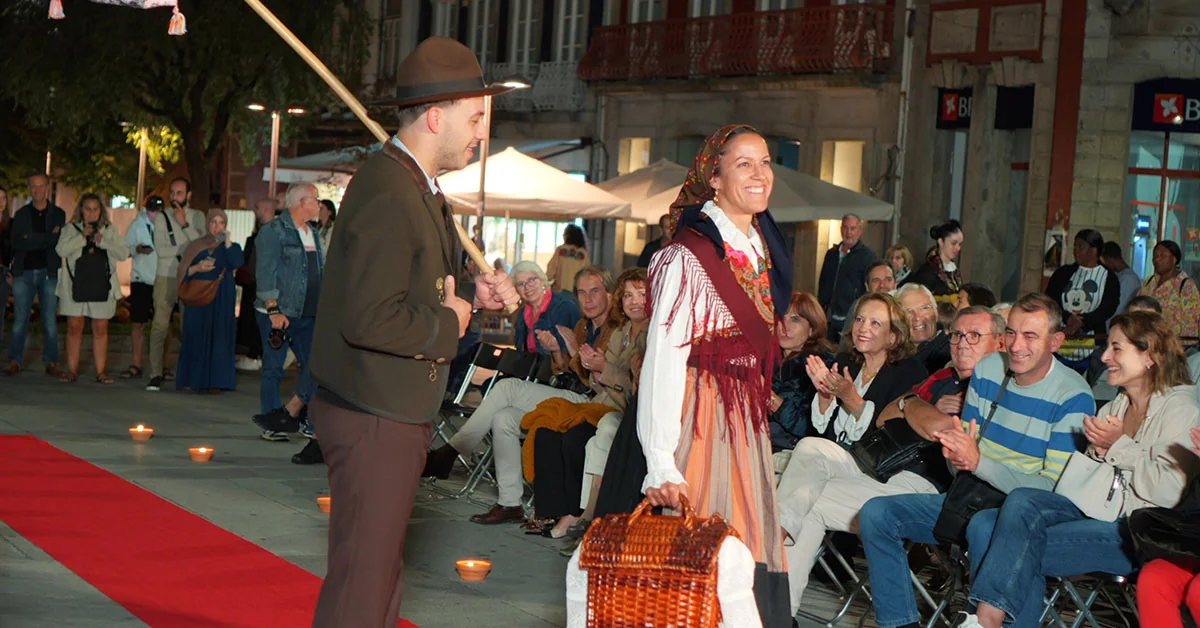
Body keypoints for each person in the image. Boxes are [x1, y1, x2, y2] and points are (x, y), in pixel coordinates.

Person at [306, 36, 520, 627]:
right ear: (435, 115)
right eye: (475, 118)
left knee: (374, 574)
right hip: (375, 409)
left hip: (389, 406)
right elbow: (368, 317)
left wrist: (468, 299)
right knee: (364, 580)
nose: (481, 132)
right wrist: (448, 323)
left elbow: (415, 286)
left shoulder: (416, 184)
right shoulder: (389, 189)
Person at [856, 293, 1093, 628]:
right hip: (970, 497)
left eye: (1030, 336)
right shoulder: (988, 369)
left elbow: (1051, 491)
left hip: (1022, 515)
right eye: (1011, 333)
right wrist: (956, 456)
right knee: (877, 513)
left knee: (987, 527)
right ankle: (898, 623)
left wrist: (978, 462)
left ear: (1056, 341)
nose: (1016, 345)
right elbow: (963, 460)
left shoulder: (1073, 396)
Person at [639, 124, 794, 627]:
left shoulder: (762, 247)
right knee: (704, 536)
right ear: (715, 175)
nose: (759, 174)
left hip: (744, 419)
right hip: (701, 415)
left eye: (766, 162)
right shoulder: (687, 255)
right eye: (744, 163)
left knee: (745, 538)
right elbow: (664, 356)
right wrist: (660, 458)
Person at [955, 311, 1200, 628]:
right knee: (994, 516)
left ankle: (986, 620)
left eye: (1116, 348)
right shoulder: (1117, 405)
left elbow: (1167, 494)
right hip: (1097, 510)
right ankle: (989, 619)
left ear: (1149, 355)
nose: (1105, 356)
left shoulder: (1182, 409)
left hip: (1138, 533)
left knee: (1004, 546)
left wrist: (1117, 447)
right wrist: (1098, 452)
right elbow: (1089, 482)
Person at [777, 305, 1004, 614]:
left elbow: (941, 430)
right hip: (879, 468)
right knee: (806, 474)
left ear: (1001, 343)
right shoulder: (941, 378)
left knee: (806, 499)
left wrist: (914, 408)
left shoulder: (1000, 389)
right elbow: (886, 416)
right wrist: (920, 407)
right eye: (957, 335)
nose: (962, 343)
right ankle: (777, 609)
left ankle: (775, 603)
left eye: (975, 336)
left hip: (932, 490)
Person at [422, 266, 615, 523]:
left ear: (610, 295)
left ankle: (450, 452)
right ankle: (510, 503)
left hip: (592, 403)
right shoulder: (577, 324)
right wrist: (560, 352)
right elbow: (558, 368)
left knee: (506, 388)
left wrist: (569, 351)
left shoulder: (607, 327)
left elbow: (598, 383)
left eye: (594, 291)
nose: (587, 298)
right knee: (504, 418)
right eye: (581, 292)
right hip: (564, 392)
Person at [249, 183, 324, 441]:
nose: (319, 204)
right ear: (301, 203)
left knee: (316, 365)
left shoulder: (313, 233)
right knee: (274, 368)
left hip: (308, 313)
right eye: (316, 199)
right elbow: (265, 272)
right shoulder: (273, 231)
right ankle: (272, 421)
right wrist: (273, 309)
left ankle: (300, 416)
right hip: (279, 312)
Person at [54, 194, 130, 383]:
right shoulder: (70, 229)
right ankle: (71, 370)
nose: (91, 213)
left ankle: (100, 372)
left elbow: (123, 253)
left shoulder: (108, 230)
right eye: (87, 209)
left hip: (101, 286)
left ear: (101, 211)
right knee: (74, 327)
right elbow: (60, 250)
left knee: (100, 327)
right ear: (81, 210)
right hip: (75, 286)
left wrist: (102, 241)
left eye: (95, 209)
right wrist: (82, 237)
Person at [173, 210, 243, 393]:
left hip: (222, 297)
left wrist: (227, 242)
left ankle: (216, 382)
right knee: (196, 335)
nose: (216, 226)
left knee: (219, 337)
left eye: (221, 223)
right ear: (207, 223)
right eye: (213, 222)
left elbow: (236, 262)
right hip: (199, 297)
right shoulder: (195, 246)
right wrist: (197, 267)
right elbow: (182, 272)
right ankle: (193, 379)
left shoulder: (231, 247)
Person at [146, 177, 205, 392]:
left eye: (179, 193)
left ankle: (188, 374)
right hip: (166, 275)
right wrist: (185, 247)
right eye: (172, 193)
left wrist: (184, 224)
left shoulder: (197, 216)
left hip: (190, 276)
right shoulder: (161, 217)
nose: (174, 197)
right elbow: (161, 249)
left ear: (188, 195)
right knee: (160, 325)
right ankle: (155, 373)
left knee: (189, 326)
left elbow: (200, 245)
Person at [4, 173, 66, 377]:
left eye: (41, 186)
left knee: (49, 319)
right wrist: (45, 238)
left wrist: (31, 238)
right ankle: (14, 360)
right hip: (24, 273)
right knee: (20, 319)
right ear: (29, 188)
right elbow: (17, 243)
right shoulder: (21, 214)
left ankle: (51, 362)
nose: (38, 190)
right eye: (34, 187)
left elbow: (56, 241)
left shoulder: (58, 214)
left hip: (49, 272)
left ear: (48, 187)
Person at [769, 292, 835, 451]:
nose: (785, 326)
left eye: (795, 319)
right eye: (781, 318)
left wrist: (775, 403)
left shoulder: (820, 366)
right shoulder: (766, 358)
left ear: (812, 329)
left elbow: (816, 431)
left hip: (797, 452)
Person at [1045, 228, 1120, 340]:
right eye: (1074, 247)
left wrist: (1082, 322)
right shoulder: (1063, 273)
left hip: (1092, 340)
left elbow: (1108, 307)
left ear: (1093, 250)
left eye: (1080, 247)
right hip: (1061, 337)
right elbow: (1050, 300)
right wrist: (1067, 318)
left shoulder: (1109, 277)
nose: (1075, 251)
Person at [120, 195, 164, 379]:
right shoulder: (136, 225)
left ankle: (161, 366)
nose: (154, 214)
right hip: (141, 279)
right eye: (151, 210)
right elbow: (124, 249)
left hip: (162, 278)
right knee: (138, 322)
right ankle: (136, 363)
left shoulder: (168, 224)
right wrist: (137, 250)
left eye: (157, 211)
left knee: (162, 324)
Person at [818, 213, 876, 343]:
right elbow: (823, 282)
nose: (848, 232)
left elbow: (868, 287)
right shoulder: (831, 254)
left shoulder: (867, 256)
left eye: (853, 228)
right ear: (840, 229)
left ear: (860, 231)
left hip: (851, 317)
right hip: (829, 317)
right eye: (845, 227)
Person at [234, 198, 277, 372]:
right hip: (253, 285)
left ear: (266, 210)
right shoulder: (261, 234)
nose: (254, 209)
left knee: (260, 322)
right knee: (253, 321)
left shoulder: (272, 234)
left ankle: (258, 355)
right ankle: (255, 353)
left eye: (257, 206)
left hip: (261, 286)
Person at [512, 260, 580, 356]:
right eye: (521, 284)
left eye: (531, 280)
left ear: (542, 280)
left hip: (555, 368)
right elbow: (519, 350)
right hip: (529, 367)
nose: (527, 287)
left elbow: (567, 352)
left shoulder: (563, 307)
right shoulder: (522, 313)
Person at [1137, 239, 1200, 340]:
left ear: (1174, 259)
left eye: (1163, 256)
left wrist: (1180, 347)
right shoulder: (1149, 282)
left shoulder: (1185, 285)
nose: (1157, 259)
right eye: (1155, 256)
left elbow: (1191, 322)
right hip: (1147, 342)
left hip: (1172, 347)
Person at [896, 283, 951, 374]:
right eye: (908, 311)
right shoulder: (893, 355)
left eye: (924, 308)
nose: (917, 317)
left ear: (936, 313)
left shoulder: (949, 355)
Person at [904, 220, 963, 297]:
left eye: (959, 244)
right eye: (953, 243)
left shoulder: (954, 270)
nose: (958, 248)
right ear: (941, 242)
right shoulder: (928, 271)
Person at [1100, 241, 1141, 318]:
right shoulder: (1121, 276)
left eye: (1104, 262)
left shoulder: (1129, 279)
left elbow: (1119, 309)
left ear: (1110, 259)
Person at [546, 224, 590, 293]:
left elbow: (550, 272)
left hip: (560, 292)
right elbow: (587, 274)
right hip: (576, 293)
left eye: (564, 234)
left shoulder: (560, 250)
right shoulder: (583, 253)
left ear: (567, 236)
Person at [0, 186, 12, 347]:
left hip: (3, 273)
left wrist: (12, 272)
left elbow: (14, 251)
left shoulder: (11, 224)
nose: (0, 202)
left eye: (3, 198)